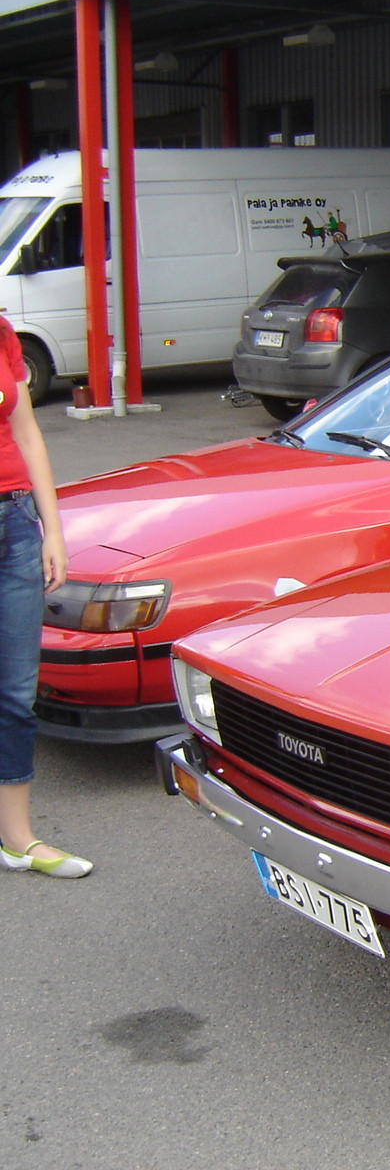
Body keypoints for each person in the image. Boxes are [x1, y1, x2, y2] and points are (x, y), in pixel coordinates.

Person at [0, 318, 90, 879]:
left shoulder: (1, 332)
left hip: (13, 525)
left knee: (14, 691)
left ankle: (17, 840)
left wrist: (52, 531)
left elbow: (27, 432)